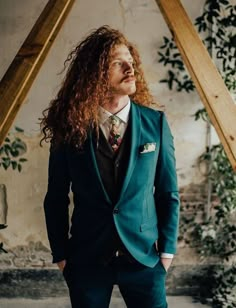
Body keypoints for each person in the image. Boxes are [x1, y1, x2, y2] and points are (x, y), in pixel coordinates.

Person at [40, 25, 180, 308]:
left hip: (144, 258)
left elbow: (168, 193)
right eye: (118, 63)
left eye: (131, 61)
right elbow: (55, 197)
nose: (130, 68)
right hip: (86, 258)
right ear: (94, 73)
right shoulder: (69, 128)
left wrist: (167, 252)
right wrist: (62, 257)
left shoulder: (156, 124)